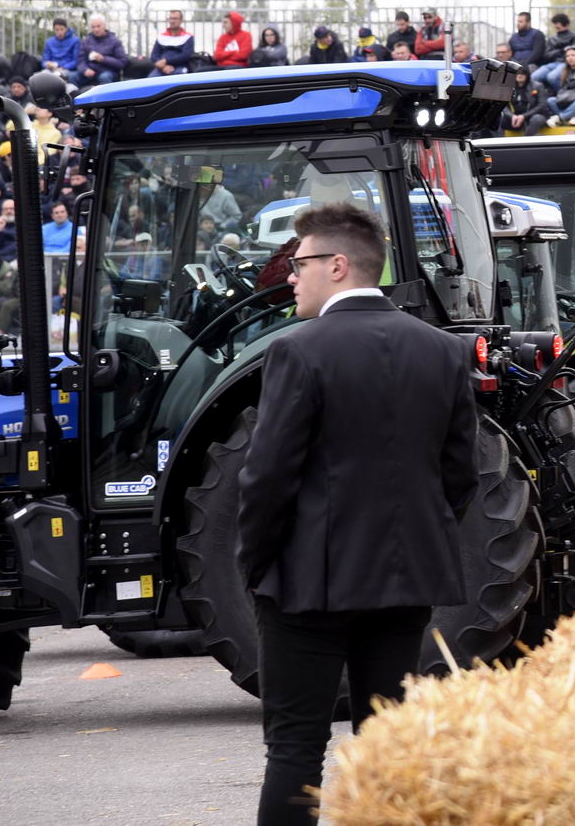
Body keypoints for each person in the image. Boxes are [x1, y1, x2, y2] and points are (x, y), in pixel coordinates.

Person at [235, 203, 479, 826]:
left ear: (337, 266)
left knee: (294, 749)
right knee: (386, 748)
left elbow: (266, 479)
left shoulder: (297, 351)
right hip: (404, 584)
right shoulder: (443, 351)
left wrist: (257, 564)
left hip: (307, 586)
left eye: (299, 263)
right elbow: (459, 477)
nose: (290, 275)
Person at [531, 13, 575, 91]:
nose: (556, 27)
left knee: (552, 77)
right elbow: (546, 55)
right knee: (534, 77)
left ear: (566, 25)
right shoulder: (552, 38)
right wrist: (560, 51)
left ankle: (564, 95)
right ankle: (542, 95)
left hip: (565, 63)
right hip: (552, 63)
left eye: (558, 26)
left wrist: (558, 51)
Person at [76, 14, 129, 86]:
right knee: (73, 76)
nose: (96, 29)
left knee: (104, 77)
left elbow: (122, 62)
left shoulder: (115, 41)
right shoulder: (86, 41)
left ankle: (104, 97)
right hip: (90, 71)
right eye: (93, 27)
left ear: (104, 26)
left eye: (98, 26)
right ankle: (73, 96)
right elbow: (80, 60)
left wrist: (103, 59)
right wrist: (84, 69)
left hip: (108, 71)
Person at [148, 9, 195, 75]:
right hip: (162, 68)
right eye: (171, 18)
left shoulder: (188, 37)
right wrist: (164, 67)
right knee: (151, 80)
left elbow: (186, 55)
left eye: (175, 19)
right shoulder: (161, 37)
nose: (172, 21)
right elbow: (154, 55)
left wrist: (166, 61)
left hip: (180, 67)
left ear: (181, 21)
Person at [40, 18, 80, 83]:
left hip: (67, 69)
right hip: (51, 69)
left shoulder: (75, 41)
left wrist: (63, 67)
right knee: (41, 76)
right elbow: (45, 60)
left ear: (66, 29)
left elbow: (76, 61)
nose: (59, 32)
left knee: (58, 76)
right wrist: (46, 64)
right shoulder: (49, 42)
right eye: (57, 30)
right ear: (54, 30)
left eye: (61, 29)